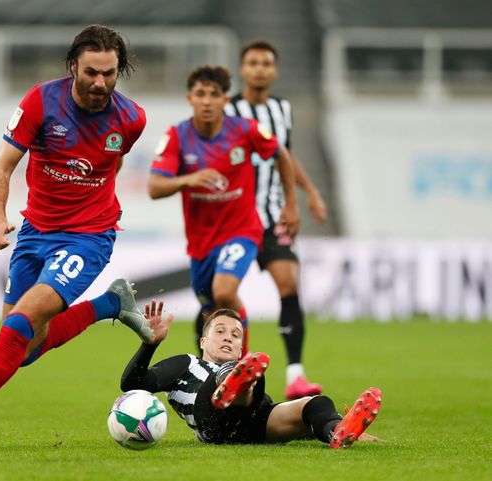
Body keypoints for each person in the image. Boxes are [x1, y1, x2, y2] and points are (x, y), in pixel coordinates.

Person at [0, 24, 153, 455]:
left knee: (20, 323)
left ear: (119, 71)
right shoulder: (41, 101)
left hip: (88, 237)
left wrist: (103, 212)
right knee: (23, 350)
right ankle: (110, 304)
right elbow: (2, 168)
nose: (100, 83)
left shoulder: (131, 119)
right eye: (92, 72)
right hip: (35, 232)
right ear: (73, 65)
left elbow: (110, 165)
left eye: (109, 74)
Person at [147, 65, 299, 356]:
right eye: (200, 94)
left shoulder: (245, 130)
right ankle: (212, 372)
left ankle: (242, 366)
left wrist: (291, 203)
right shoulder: (177, 136)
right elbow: (155, 187)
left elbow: (280, 153)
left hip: (241, 231)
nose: (207, 101)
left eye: (214, 94)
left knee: (225, 292)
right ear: (189, 98)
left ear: (225, 101)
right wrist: (189, 179)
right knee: (210, 309)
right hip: (201, 242)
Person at [219, 40, 328, 399]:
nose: (261, 69)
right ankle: (216, 373)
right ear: (242, 69)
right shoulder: (228, 109)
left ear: (274, 70)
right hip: (233, 219)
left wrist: (307, 194)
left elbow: (287, 156)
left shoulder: (282, 108)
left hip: (271, 217)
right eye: (254, 63)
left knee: (289, 285)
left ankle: (296, 375)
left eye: (267, 63)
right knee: (220, 297)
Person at [121, 300, 382, 447]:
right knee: (237, 374)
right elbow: (131, 383)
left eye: (235, 335)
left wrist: (331, 423)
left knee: (316, 403)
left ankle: (338, 434)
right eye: (220, 331)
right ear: (202, 341)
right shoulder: (186, 364)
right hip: (210, 418)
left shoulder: (247, 367)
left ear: (239, 346)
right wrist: (149, 344)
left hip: (253, 421)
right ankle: (228, 387)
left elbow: (299, 418)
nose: (228, 337)